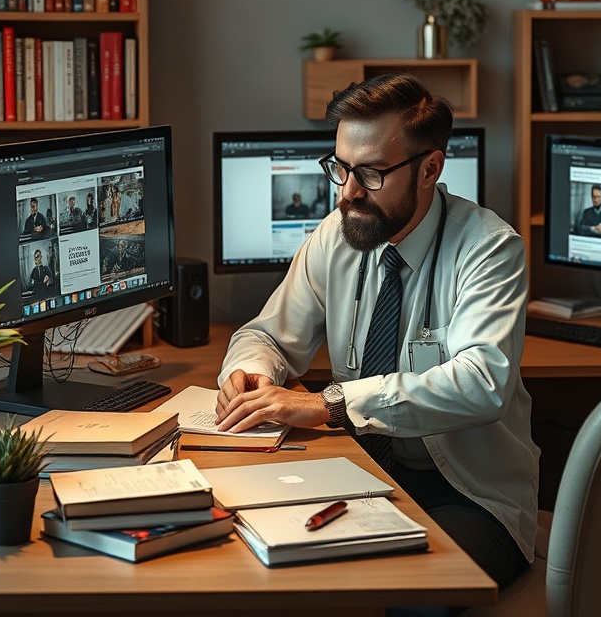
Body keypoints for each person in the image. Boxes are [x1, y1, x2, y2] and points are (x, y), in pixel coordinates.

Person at [215, 73, 539, 604]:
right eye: (340, 168)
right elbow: (267, 334)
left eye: (370, 173)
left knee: (409, 596)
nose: (348, 193)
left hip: (468, 495)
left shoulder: (489, 250)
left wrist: (329, 404)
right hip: (359, 473)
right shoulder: (339, 232)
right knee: (260, 568)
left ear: (430, 167)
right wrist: (248, 375)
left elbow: (482, 384)